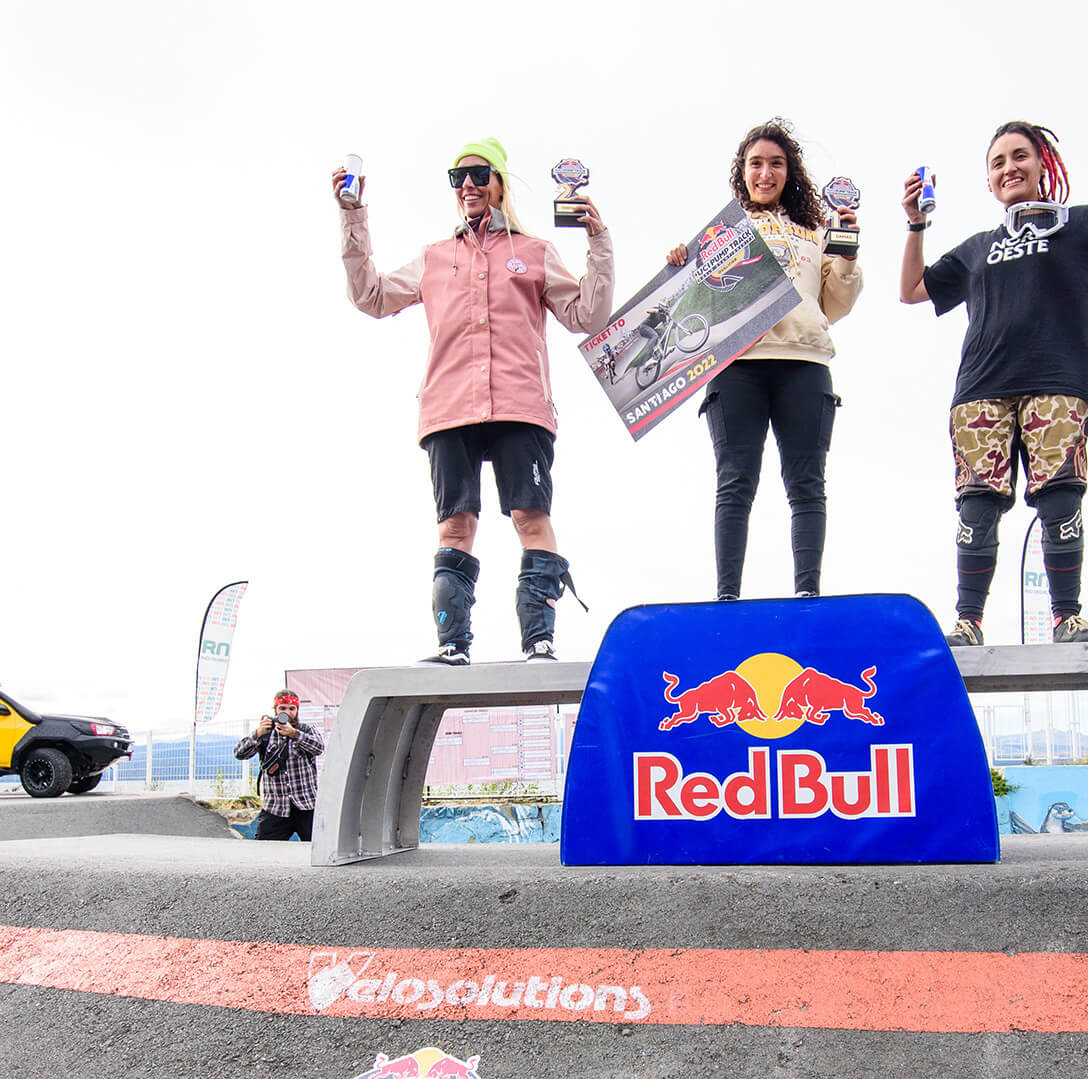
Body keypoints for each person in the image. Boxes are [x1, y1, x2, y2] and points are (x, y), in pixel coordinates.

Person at [900, 87, 1088, 645]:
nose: (1009, 168)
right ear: (988, 181)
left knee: (1059, 495)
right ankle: (967, 623)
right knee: (977, 502)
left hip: (1059, 380)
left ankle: (1066, 618)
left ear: (1043, 163)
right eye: (997, 162)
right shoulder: (978, 246)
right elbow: (911, 289)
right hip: (982, 389)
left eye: (1019, 156)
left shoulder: (1084, 224)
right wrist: (915, 224)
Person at [336, 138, 613, 664]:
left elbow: (587, 314)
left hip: (520, 403)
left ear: (500, 183)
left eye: (479, 174)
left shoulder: (532, 253)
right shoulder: (434, 258)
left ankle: (539, 640)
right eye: (457, 177)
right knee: (455, 524)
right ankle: (452, 644)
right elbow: (370, 296)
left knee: (531, 516)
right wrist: (352, 216)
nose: (467, 185)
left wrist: (599, 241)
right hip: (449, 407)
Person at [667, 119, 861, 599]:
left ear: (789, 172)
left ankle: (807, 595)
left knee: (807, 484)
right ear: (743, 172)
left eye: (776, 163)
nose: (766, 173)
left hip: (804, 362)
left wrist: (848, 256)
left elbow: (835, 303)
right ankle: (727, 596)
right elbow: (698, 302)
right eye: (757, 163)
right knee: (734, 482)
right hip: (737, 367)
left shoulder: (816, 232)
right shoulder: (722, 234)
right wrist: (679, 265)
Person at [234, 690, 324, 841]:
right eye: (282, 708)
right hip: (275, 806)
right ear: (275, 710)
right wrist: (258, 733)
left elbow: (319, 748)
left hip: (307, 804)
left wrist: (294, 734)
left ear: (297, 710)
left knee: (317, 850)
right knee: (264, 852)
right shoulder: (266, 733)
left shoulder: (305, 730)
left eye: (291, 708)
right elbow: (239, 753)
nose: (287, 712)